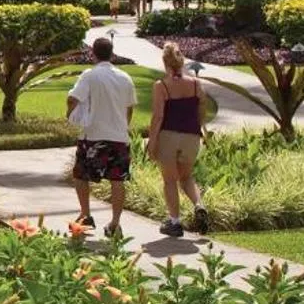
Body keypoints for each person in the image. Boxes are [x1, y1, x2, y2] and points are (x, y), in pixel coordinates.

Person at [66, 36, 136, 239]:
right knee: (117, 180)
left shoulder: (90, 75)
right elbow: (129, 108)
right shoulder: (125, 77)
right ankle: (115, 223)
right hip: (119, 136)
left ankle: (86, 214)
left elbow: (73, 98)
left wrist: (70, 113)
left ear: (93, 53)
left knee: (81, 175)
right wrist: (123, 126)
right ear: (112, 53)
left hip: (93, 135)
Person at [145, 42, 208, 237]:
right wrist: (203, 130)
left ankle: (174, 222)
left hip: (169, 136)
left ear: (165, 63)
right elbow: (201, 110)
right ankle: (199, 205)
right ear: (182, 62)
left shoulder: (161, 86)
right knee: (187, 177)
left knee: (170, 180)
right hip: (191, 136)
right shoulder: (196, 84)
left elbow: (158, 117)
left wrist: (151, 142)